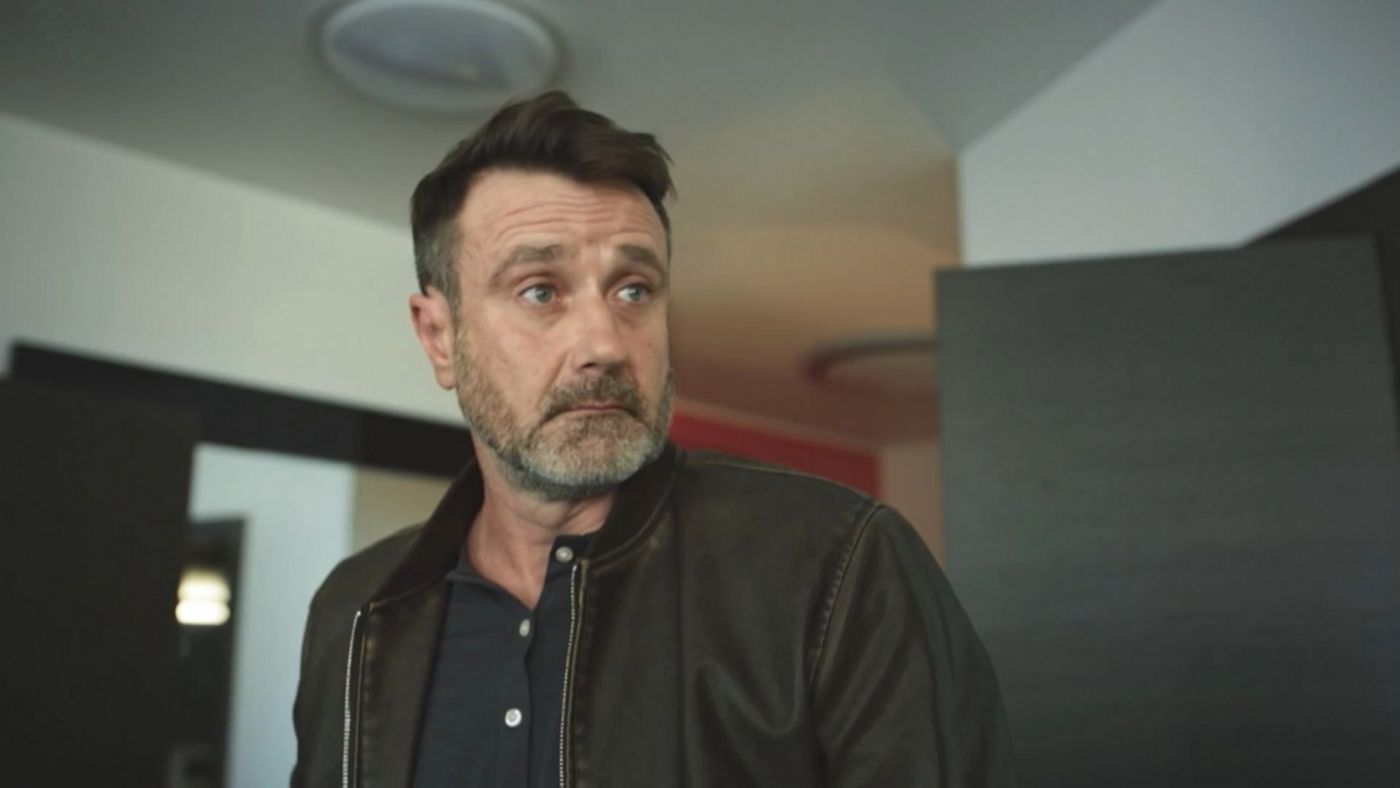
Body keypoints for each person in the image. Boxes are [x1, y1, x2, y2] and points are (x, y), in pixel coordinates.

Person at [291, 91, 1015, 787]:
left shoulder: (840, 567)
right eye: (540, 290)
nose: (605, 344)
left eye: (633, 290)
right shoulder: (355, 611)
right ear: (439, 337)